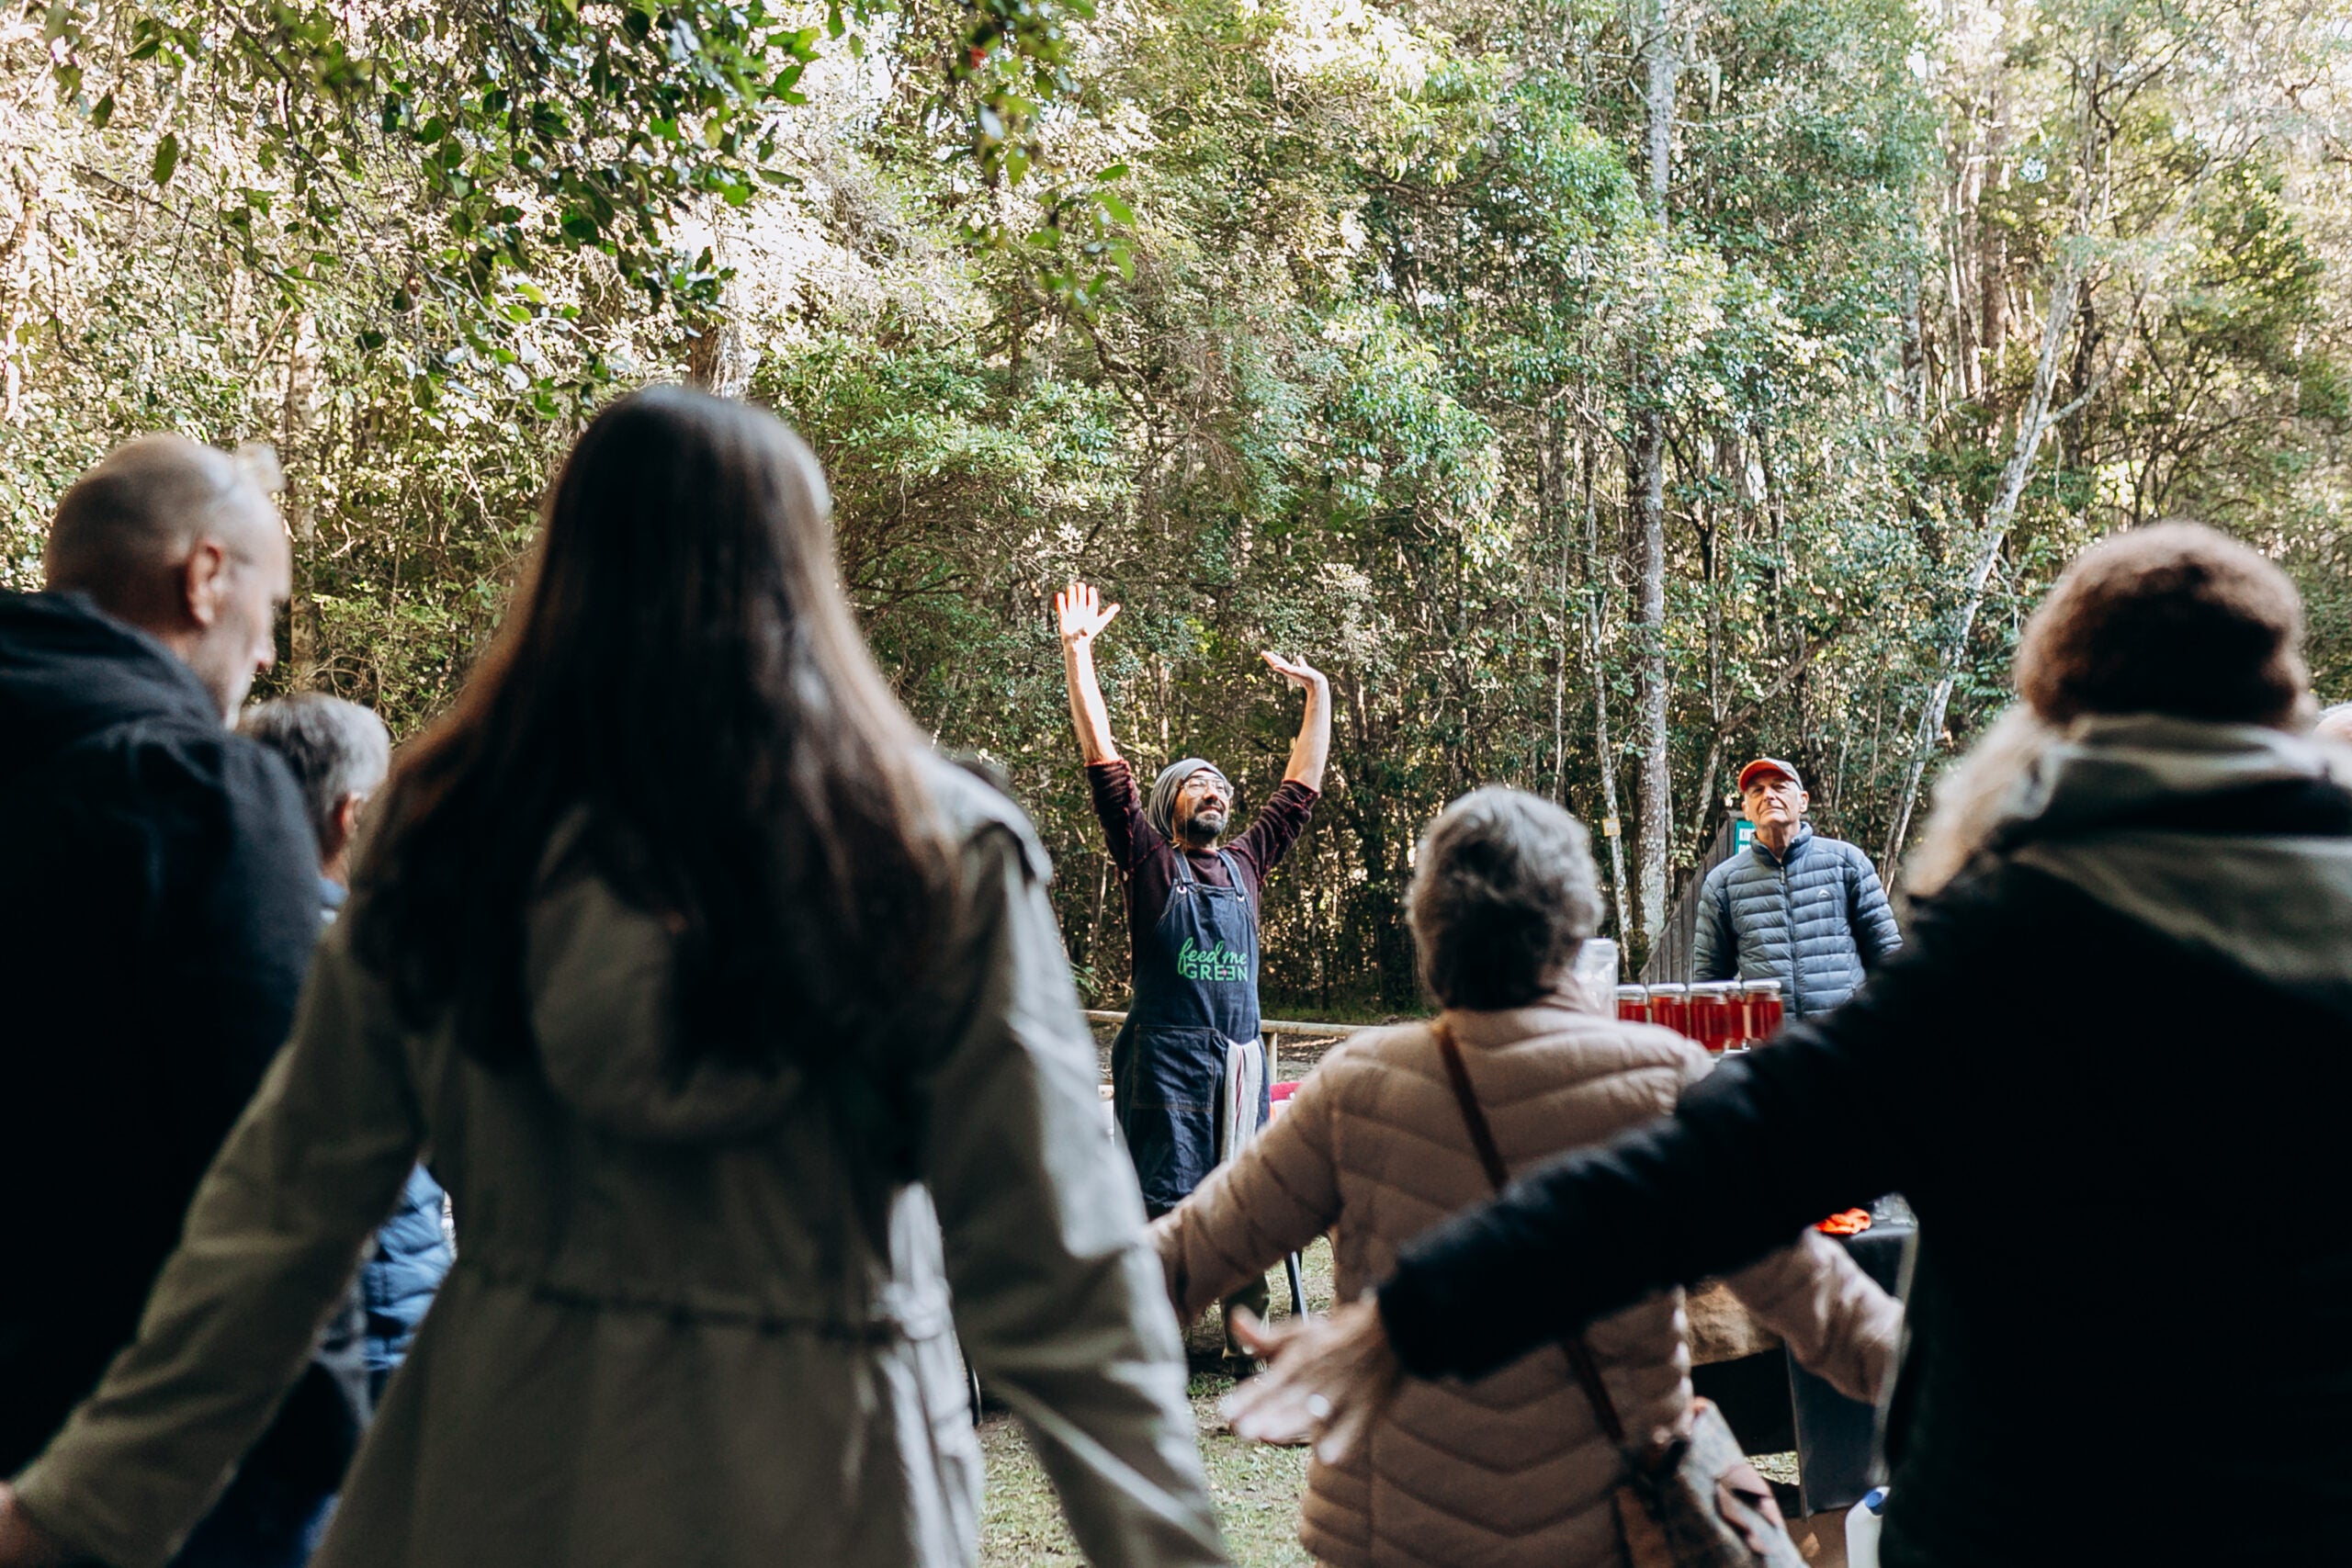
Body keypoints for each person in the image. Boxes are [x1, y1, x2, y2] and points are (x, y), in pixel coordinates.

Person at [0, 389, 1227, 1568]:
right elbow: (1065, 1277)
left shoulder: (448, 840)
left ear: (566, 570)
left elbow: (274, 1228)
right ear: (802, 572)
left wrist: (64, 1511)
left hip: (496, 1475)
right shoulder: (928, 851)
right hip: (833, 1481)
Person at [1227, 522, 2352, 1566]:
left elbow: (1690, 1177)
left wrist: (1414, 1315)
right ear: (2281, 699)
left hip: (2020, 1514)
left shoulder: (2001, 963)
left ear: (2053, 710)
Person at [1152, 787, 1899, 1567]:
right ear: (1575, 922)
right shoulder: (1666, 1078)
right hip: (1609, 1533)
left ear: (1430, 927)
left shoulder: (1356, 1084)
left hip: (1396, 1533)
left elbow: (1178, 1260)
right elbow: (1831, 1313)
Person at [0, 435, 369, 1568]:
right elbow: (278, 1167)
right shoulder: (194, 789)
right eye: (271, 600)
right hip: (153, 1473)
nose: (267, 652)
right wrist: (326, 1436)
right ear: (205, 576)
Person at [1057, 579, 1328, 1359]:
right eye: (1198, 785)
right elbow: (1105, 766)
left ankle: (1249, 1341)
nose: (1215, 792)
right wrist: (1080, 658)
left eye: (1221, 786)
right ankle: (1152, 1347)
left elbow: (1299, 791)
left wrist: (1319, 693)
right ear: (1174, 803)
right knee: (1165, 1207)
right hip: (1164, 1063)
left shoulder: (1246, 863)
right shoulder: (1148, 860)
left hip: (1238, 1065)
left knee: (1246, 1201)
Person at [241, 693, 453, 1402]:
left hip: (251, 1338)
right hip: (386, 1328)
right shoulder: (388, 957)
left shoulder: (208, 946)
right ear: (351, 814)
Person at [1692, 756, 1900, 1018]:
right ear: (1746, 809)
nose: (1768, 796)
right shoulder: (1723, 883)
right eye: (1757, 790)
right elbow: (1709, 981)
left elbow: (1888, 953)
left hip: (1845, 1038)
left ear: (1803, 801)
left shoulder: (1846, 863)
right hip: (1771, 1046)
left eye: (1779, 787)